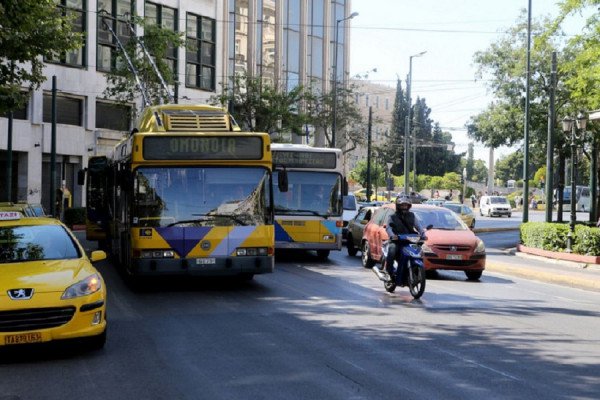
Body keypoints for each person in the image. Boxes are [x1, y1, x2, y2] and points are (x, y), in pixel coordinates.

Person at [378, 195, 420, 280]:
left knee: (418, 251)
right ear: (398, 206)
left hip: (409, 240)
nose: (404, 207)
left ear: (409, 206)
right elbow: (388, 228)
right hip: (396, 240)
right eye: (402, 205)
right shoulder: (392, 216)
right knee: (392, 250)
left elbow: (418, 226)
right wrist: (392, 235)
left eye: (406, 205)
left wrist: (423, 234)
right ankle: (389, 272)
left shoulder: (412, 216)